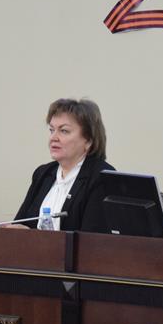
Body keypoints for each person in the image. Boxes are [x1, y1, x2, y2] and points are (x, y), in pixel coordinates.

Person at [11, 98, 114, 232]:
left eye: (64, 131)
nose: (53, 138)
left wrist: (34, 236)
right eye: (51, 130)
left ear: (88, 140)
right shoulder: (43, 173)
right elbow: (19, 225)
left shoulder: (101, 177)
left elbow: (91, 239)